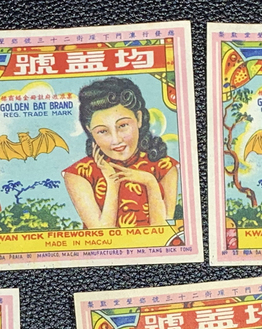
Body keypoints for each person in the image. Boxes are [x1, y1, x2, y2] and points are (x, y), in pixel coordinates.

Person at [62, 77, 178, 228]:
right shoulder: (79, 174)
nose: (116, 140)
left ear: (139, 119)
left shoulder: (164, 167)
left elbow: (164, 234)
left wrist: (150, 183)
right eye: (102, 131)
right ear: (90, 131)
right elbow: (102, 236)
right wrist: (112, 184)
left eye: (123, 125)